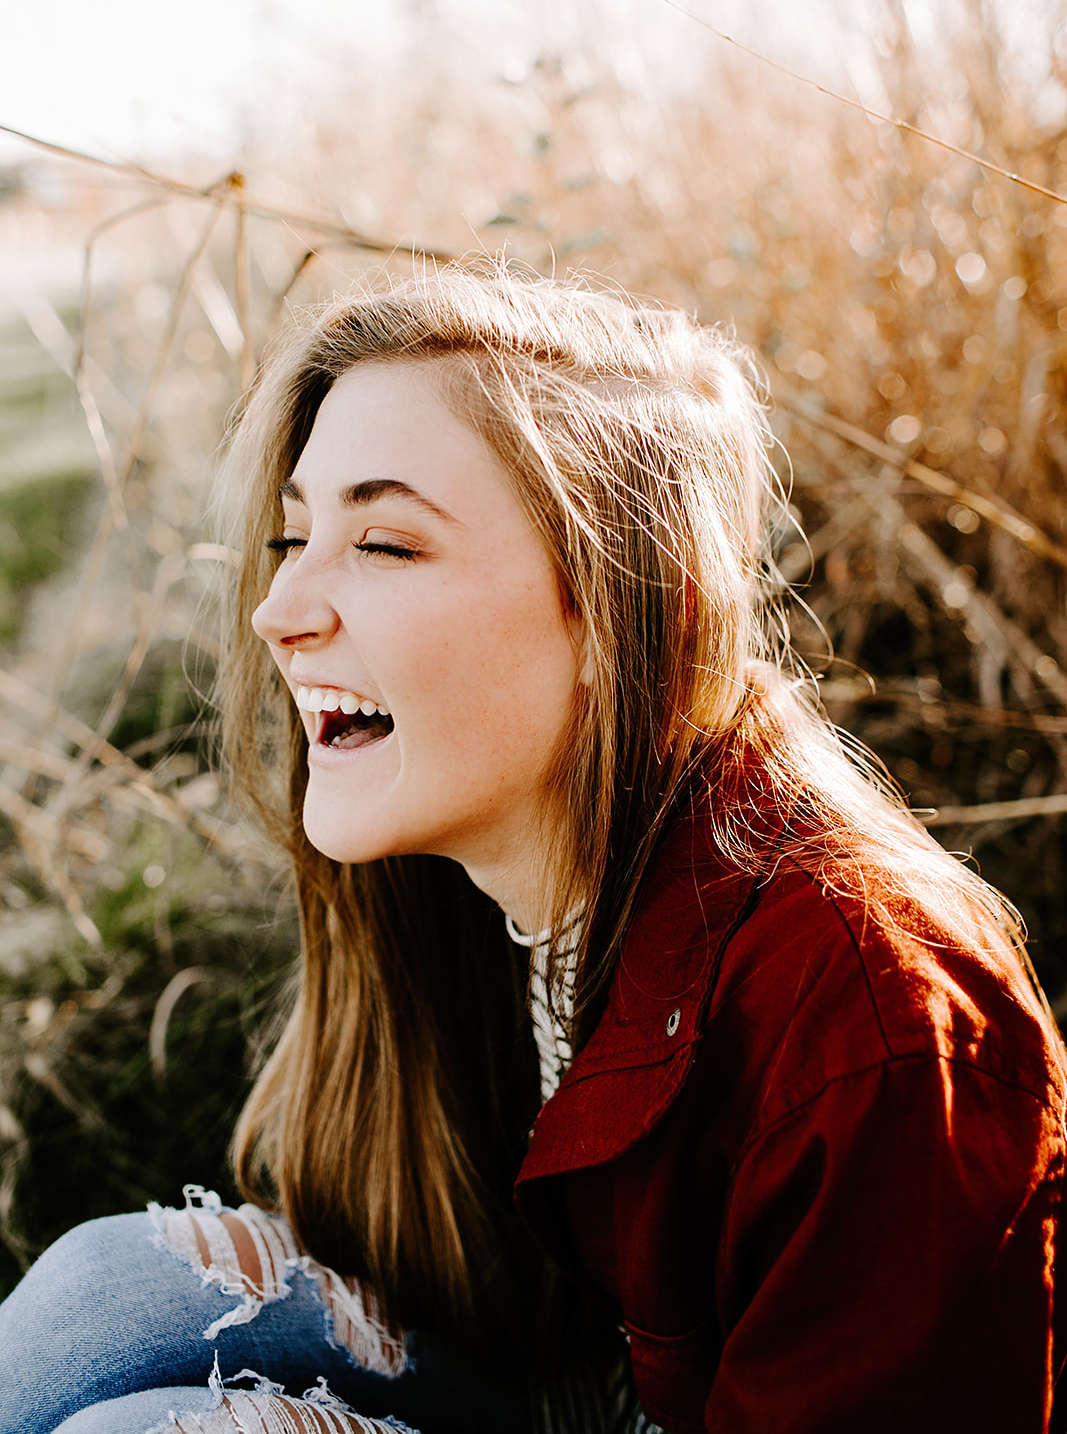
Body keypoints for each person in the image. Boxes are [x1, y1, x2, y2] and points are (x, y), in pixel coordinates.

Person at [1, 267, 1064, 1434]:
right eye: (293, 534)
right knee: (93, 1303)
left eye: (387, 544)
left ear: (619, 610)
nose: (278, 608)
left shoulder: (870, 1017)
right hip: (556, 1395)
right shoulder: (457, 868)